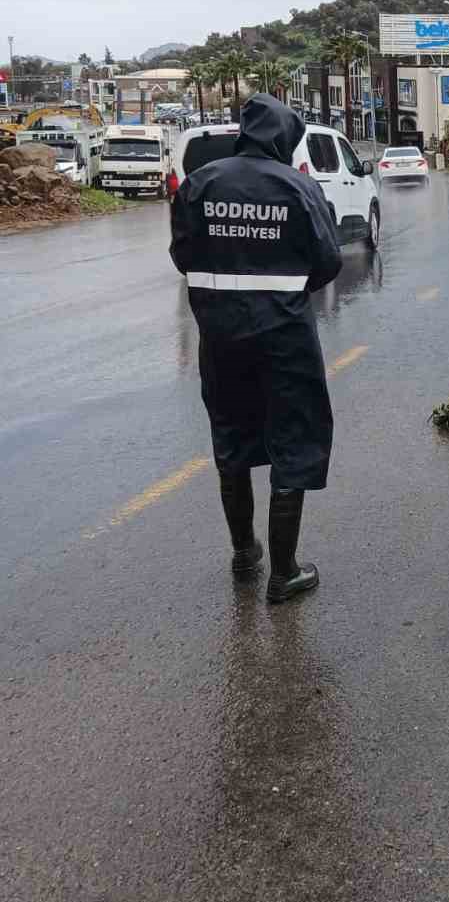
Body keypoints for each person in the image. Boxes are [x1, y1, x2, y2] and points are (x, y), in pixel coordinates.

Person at [170, 93, 343, 603]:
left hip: (220, 336)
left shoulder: (201, 182)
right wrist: (282, 288)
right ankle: (283, 571)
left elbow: (182, 255)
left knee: (231, 435)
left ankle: (245, 552)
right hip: (283, 336)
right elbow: (328, 261)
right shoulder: (298, 186)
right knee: (294, 435)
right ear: (285, 137)